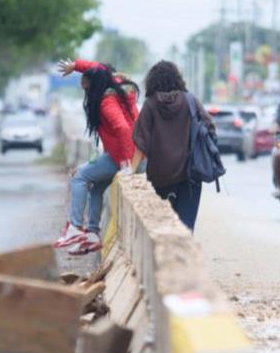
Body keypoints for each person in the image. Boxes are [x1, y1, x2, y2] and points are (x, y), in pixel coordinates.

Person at [53, 58, 139, 254]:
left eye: (86, 89)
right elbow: (99, 68)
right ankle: (92, 233)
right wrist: (75, 66)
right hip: (123, 155)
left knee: (79, 178)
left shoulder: (107, 102)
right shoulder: (117, 90)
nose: (86, 94)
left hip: (125, 157)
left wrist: (127, 165)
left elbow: (123, 129)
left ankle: (75, 228)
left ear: (94, 85)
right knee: (96, 186)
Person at [130, 60, 212, 232]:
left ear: (152, 81)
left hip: (160, 177)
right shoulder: (190, 100)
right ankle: (183, 259)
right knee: (186, 228)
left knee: (162, 228)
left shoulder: (150, 105)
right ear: (177, 79)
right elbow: (210, 127)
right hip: (190, 176)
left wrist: (130, 173)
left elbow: (140, 143)